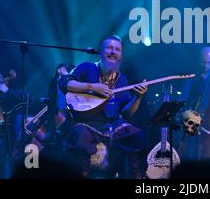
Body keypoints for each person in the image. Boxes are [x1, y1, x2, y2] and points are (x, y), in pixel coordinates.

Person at [59, 35, 148, 178]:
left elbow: (127, 114)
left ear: (120, 55)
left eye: (117, 49)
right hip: (86, 123)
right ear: (101, 51)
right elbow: (65, 83)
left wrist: (138, 98)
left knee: (139, 136)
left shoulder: (122, 79)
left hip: (112, 127)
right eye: (109, 48)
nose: (113, 51)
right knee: (80, 135)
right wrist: (93, 87)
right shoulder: (86, 67)